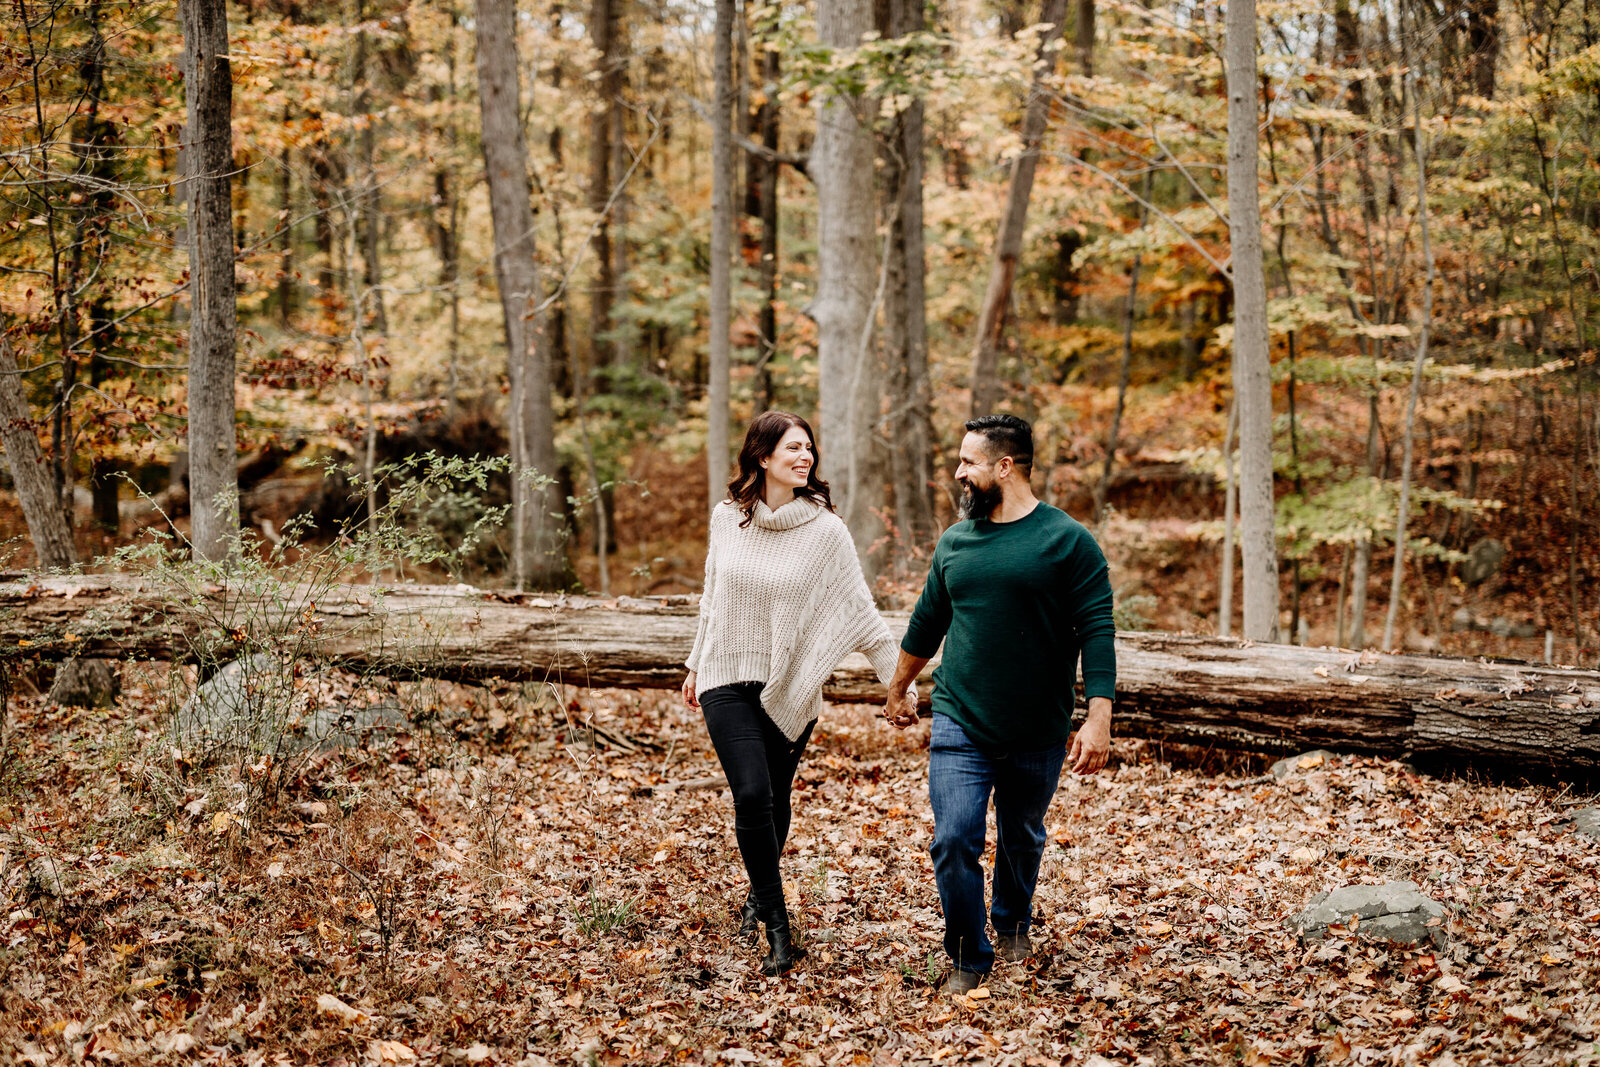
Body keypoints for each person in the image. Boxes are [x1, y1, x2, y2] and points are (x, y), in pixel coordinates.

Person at [883, 413, 1115, 994]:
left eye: (968, 463)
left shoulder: (1068, 542)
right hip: (961, 716)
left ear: (1004, 467)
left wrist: (1098, 718)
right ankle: (967, 954)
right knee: (954, 836)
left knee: (1022, 834)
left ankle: (1012, 920)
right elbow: (926, 622)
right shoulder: (956, 541)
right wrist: (897, 687)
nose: (959, 472)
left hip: (1038, 725)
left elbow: (1098, 631)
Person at [683, 411, 908, 976]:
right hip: (725, 677)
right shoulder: (725, 519)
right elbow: (712, 597)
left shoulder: (827, 532)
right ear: (763, 457)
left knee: (777, 800)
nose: (805, 457)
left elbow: (860, 612)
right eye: (792, 448)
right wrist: (694, 664)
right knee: (753, 794)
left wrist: (898, 685)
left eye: (809, 448)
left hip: (788, 687)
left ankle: (756, 899)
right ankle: (778, 926)